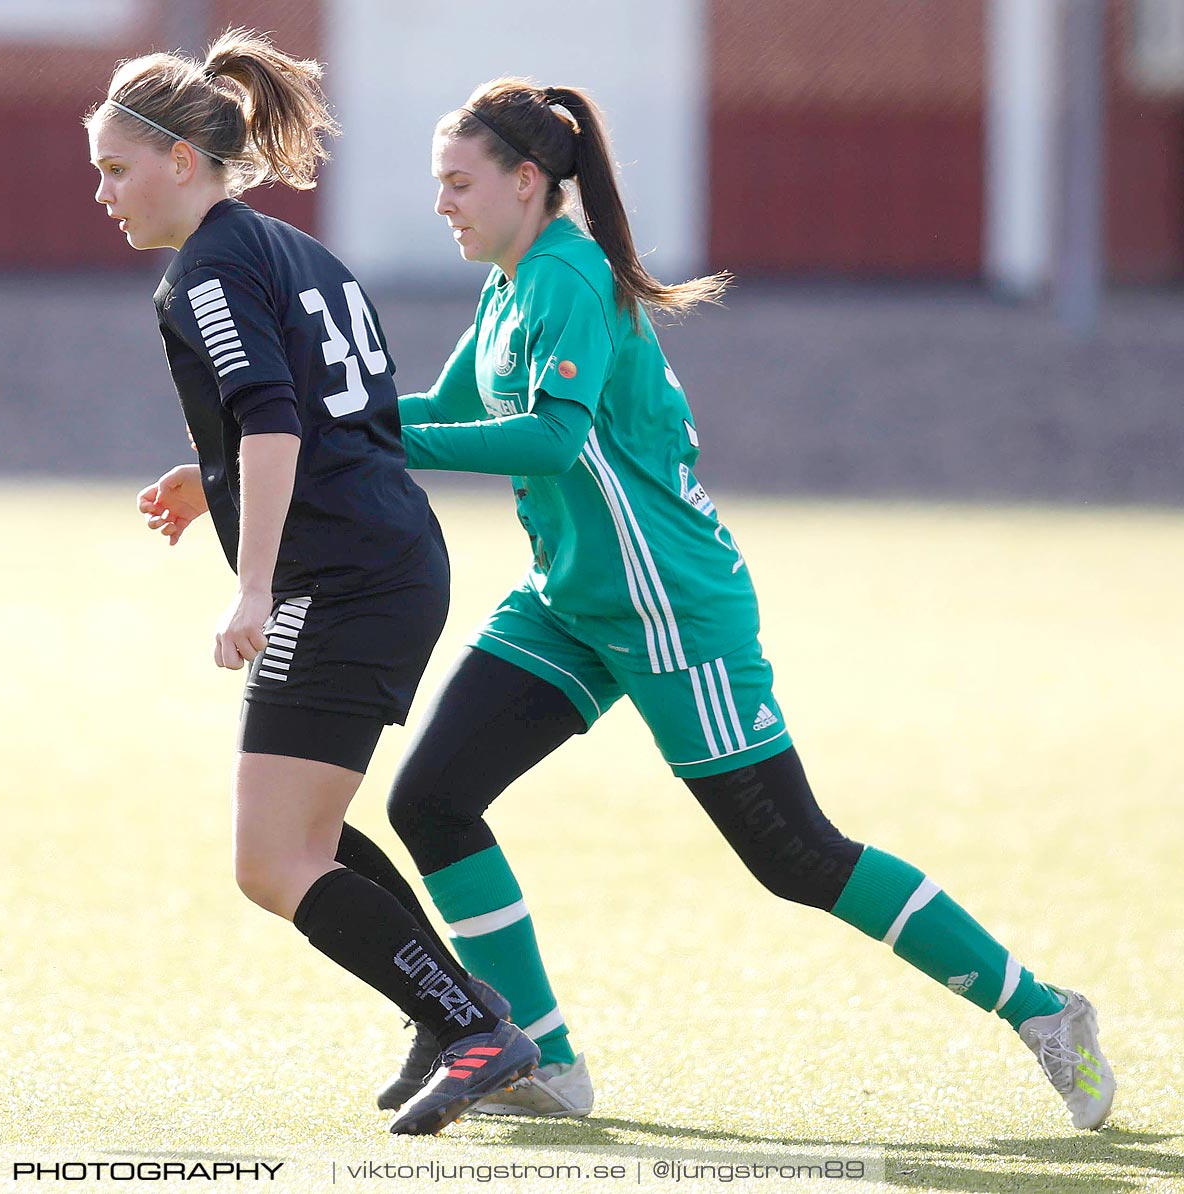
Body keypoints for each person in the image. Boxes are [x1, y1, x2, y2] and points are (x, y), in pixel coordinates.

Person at [379, 76, 1115, 1130]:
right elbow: (448, 410)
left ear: (528, 182)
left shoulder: (568, 277)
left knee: (796, 856)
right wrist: (321, 416)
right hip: (571, 605)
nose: (443, 202)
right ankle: (542, 1057)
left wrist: (358, 436)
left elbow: (551, 438)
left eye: (459, 182)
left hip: (671, 611)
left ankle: (1045, 1013)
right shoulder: (510, 285)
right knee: (433, 802)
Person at [85, 33, 540, 1135]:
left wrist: (252, 588)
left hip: (343, 578)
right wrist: (214, 483)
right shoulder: (292, 249)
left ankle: (479, 1026)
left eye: (115, 168)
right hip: (387, 555)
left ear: (184, 162)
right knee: (311, 830)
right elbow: (332, 416)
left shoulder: (204, 270)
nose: (101, 192)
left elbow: (277, 416)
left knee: (270, 858)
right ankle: (457, 1018)